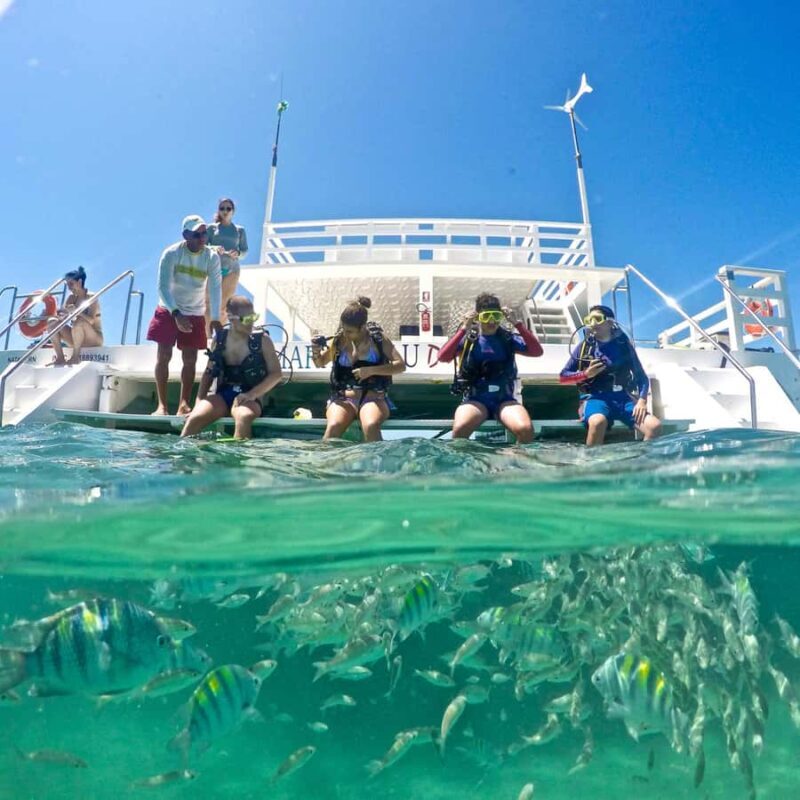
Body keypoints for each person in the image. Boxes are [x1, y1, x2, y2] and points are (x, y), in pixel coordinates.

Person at [437, 293, 543, 443]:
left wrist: (517, 324)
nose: (492, 321)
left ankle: (514, 457)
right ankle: (466, 458)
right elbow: (443, 357)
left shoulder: (508, 339)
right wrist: (464, 328)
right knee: (460, 429)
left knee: (525, 429)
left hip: (504, 400)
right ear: (478, 317)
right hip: (475, 400)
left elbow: (537, 351)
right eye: (486, 316)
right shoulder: (469, 339)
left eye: (496, 316)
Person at [147, 215, 222, 416]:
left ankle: (184, 405)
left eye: (204, 234)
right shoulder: (171, 253)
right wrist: (176, 314)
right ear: (186, 235)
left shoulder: (211, 257)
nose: (202, 238)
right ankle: (161, 406)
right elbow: (162, 287)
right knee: (164, 355)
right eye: (197, 234)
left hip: (195, 312)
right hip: (169, 309)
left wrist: (215, 318)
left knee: (190, 359)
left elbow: (215, 289)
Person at [181, 296, 282, 440]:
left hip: (250, 396)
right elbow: (209, 373)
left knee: (243, 417)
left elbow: (276, 374)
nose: (251, 323)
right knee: (195, 418)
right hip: (223, 395)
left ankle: (237, 454)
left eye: (254, 317)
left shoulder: (263, 340)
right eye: (247, 319)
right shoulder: (220, 340)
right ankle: (182, 453)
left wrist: (251, 394)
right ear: (231, 318)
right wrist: (199, 402)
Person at [559, 304, 662, 446]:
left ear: (610, 322)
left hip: (623, 398)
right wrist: (586, 374)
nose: (593, 324)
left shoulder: (623, 346)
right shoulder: (585, 347)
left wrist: (642, 401)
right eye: (589, 320)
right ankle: (590, 459)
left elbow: (642, 377)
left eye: (597, 319)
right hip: (595, 398)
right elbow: (563, 377)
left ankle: (642, 457)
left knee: (654, 426)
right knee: (598, 422)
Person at [310, 296, 405, 442]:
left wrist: (371, 371)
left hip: (373, 398)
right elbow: (320, 363)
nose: (345, 334)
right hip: (343, 398)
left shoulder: (378, 340)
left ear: (363, 327)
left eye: (350, 331)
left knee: (371, 426)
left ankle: (377, 457)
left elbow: (400, 365)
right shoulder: (339, 340)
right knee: (333, 426)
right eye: (343, 329)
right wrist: (315, 351)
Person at [46, 267, 104, 365]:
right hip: (76, 337)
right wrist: (60, 315)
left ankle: (75, 357)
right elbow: (62, 318)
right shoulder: (71, 298)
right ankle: (60, 357)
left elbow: (91, 321)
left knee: (79, 321)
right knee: (52, 322)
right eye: (67, 285)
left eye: (71, 284)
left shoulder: (91, 297)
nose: (69, 288)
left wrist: (77, 311)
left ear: (79, 282)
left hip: (93, 339)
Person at [206, 198, 248, 326]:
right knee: (208, 303)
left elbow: (244, 251)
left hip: (232, 271)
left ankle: (219, 334)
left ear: (233, 211)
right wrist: (214, 248)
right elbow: (203, 247)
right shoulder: (211, 228)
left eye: (228, 208)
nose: (225, 211)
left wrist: (238, 253)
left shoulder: (240, 230)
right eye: (222, 208)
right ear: (218, 210)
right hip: (213, 269)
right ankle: (205, 335)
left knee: (224, 306)